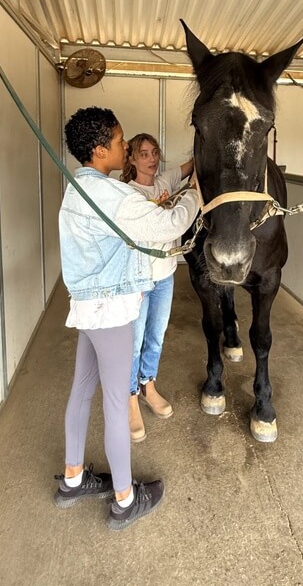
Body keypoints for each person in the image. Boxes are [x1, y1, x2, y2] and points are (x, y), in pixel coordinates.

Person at [54, 108, 200, 530]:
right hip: (112, 309)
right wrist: (197, 193)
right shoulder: (109, 195)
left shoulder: (77, 188)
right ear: (100, 150)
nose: (124, 148)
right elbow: (170, 222)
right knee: (118, 403)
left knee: (82, 391)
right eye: (119, 143)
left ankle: (73, 479)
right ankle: (123, 499)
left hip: (88, 308)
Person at [120, 134, 194, 442]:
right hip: (139, 278)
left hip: (165, 275)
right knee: (134, 341)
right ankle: (130, 397)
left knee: (156, 336)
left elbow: (194, 167)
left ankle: (149, 385)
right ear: (133, 160)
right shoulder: (129, 193)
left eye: (154, 153)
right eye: (143, 153)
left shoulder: (166, 178)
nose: (151, 158)